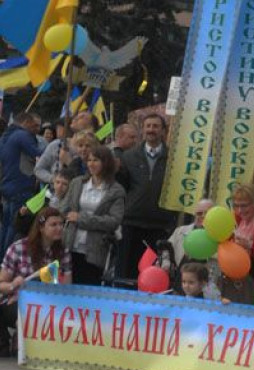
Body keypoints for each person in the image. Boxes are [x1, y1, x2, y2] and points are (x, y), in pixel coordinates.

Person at [0, 207, 72, 356]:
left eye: (61, 224)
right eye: (53, 225)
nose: (59, 228)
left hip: (47, 303)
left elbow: (67, 288)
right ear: (41, 228)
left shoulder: (63, 252)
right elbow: (1, 284)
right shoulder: (18, 248)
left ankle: (25, 341)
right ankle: (10, 340)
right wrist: (13, 285)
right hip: (15, 300)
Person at [116, 114, 176, 280]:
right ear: (142, 130)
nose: (151, 130)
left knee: (155, 273)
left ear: (163, 131)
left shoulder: (173, 158)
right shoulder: (129, 156)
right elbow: (122, 188)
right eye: (148, 126)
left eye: (155, 126)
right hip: (132, 223)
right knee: (126, 272)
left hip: (160, 225)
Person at [61, 145, 126, 285]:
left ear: (106, 163)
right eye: (89, 160)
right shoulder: (77, 183)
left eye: (95, 160)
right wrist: (68, 216)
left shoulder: (116, 190)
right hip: (70, 244)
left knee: (87, 286)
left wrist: (82, 219)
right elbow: (64, 209)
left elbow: (113, 221)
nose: (91, 164)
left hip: (95, 250)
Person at [0, 112, 41, 255]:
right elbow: (40, 154)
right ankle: (8, 260)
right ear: (26, 122)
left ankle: (2, 259)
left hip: (7, 187)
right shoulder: (22, 135)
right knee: (15, 227)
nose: (37, 130)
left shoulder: (5, 137)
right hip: (21, 187)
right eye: (34, 126)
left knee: (5, 226)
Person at [33, 111, 95, 184]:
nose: (76, 118)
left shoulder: (94, 149)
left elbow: (89, 178)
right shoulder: (56, 144)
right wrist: (53, 179)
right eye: (77, 116)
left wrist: (69, 162)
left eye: (82, 117)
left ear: (91, 126)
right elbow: (38, 169)